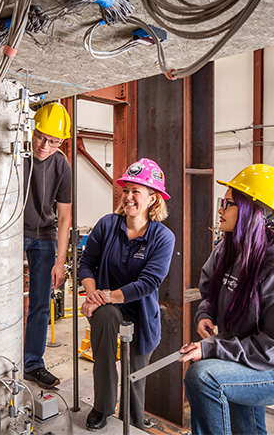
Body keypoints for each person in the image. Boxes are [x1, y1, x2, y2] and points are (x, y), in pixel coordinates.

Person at [179, 164, 274, 435]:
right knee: (247, 429)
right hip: (242, 353)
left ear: (253, 211)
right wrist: (206, 313)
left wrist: (213, 348)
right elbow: (210, 291)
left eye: (227, 204)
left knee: (203, 376)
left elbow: (273, 347)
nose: (220, 210)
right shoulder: (228, 249)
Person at [79, 158, 175, 431]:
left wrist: (105, 296)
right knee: (106, 328)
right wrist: (93, 294)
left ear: (153, 199)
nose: (129, 197)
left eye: (137, 191)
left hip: (141, 313)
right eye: (126, 190)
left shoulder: (162, 237)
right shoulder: (108, 225)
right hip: (107, 307)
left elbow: (149, 282)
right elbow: (87, 264)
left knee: (135, 374)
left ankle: (132, 419)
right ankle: (103, 407)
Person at [23, 103, 73, 389]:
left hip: (44, 235)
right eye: (40, 136)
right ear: (33, 130)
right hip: (11, 233)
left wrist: (60, 261)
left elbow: (65, 216)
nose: (44, 145)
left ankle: (33, 364)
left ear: (62, 141)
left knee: (41, 303)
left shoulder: (61, 165)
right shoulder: (17, 153)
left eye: (52, 141)